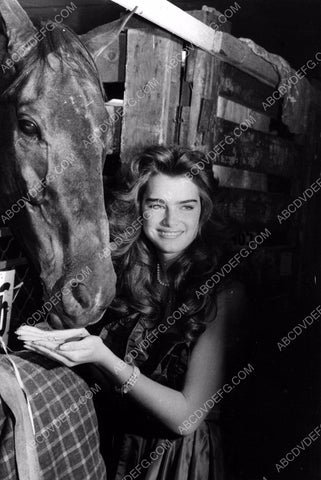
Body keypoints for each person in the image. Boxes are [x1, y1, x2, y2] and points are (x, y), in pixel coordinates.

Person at [23, 146, 246, 480]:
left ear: (204, 213)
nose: (172, 221)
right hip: (113, 447)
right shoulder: (125, 273)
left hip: (177, 463)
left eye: (187, 206)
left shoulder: (224, 291)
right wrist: (68, 343)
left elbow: (187, 417)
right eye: (157, 205)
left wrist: (102, 357)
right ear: (139, 208)